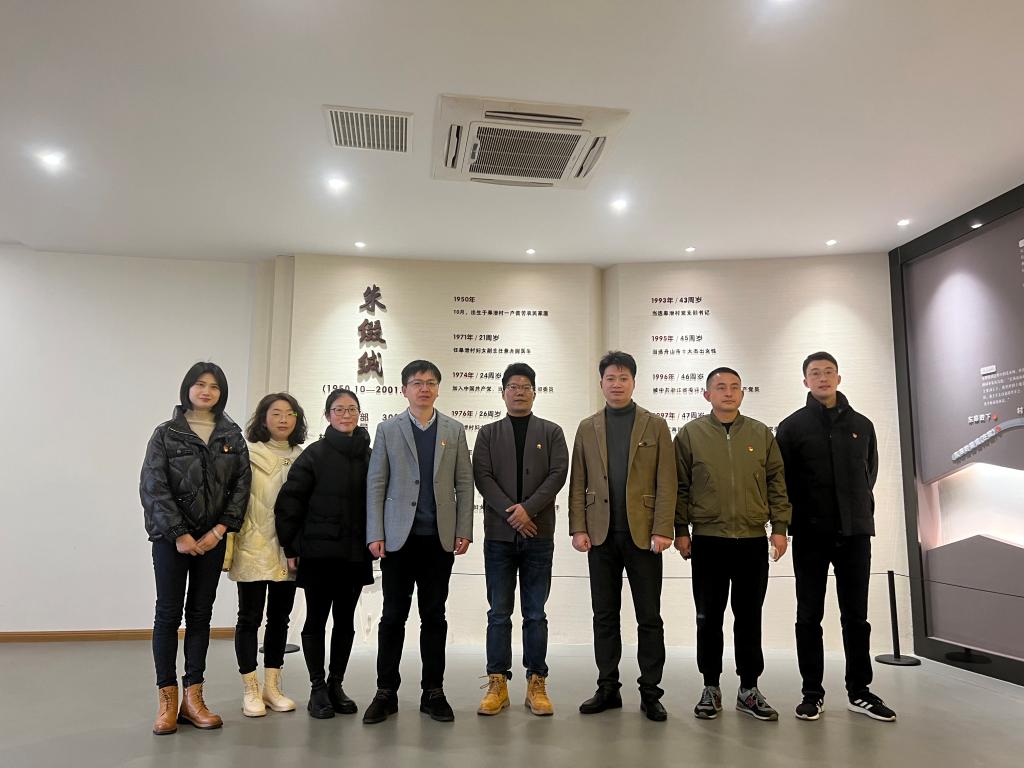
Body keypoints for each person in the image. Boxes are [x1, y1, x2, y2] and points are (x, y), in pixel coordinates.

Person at [776, 352, 896, 722]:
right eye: (815, 373)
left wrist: (855, 510)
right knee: (808, 616)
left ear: (839, 378)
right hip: (810, 534)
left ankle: (860, 691)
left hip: (855, 532)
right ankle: (812, 692)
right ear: (805, 381)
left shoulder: (862, 424)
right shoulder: (791, 427)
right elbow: (783, 482)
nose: (823, 378)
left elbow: (869, 473)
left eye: (829, 372)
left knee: (856, 617)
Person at [674, 366, 791, 722]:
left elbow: (776, 482)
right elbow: (679, 486)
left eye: (734, 387)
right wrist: (680, 529)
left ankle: (749, 689)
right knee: (708, 618)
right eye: (720, 387)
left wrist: (780, 527)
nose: (728, 392)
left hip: (752, 540)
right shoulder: (691, 434)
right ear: (707, 394)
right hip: (708, 540)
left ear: (742, 393)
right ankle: (710, 686)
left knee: (749, 617)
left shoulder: (760, 433)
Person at [140, 361, 251, 735]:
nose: (206, 391)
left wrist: (219, 530)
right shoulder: (166, 433)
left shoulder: (232, 435)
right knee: (168, 615)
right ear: (187, 388)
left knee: (200, 615)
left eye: (214, 386)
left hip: (212, 539)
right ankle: (167, 701)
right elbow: (153, 487)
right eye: (200, 384)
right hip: (171, 541)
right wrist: (178, 533)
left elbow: (241, 487)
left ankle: (194, 698)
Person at [363, 360, 474, 724]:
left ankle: (433, 691)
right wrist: (375, 533)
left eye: (430, 382)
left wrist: (464, 528)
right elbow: (376, 483)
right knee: (392, 617)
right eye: (416, 382)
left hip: (439, 540)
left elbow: (464, 483)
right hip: (398, 539)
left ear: (438, 388)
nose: (424, 388)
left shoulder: (454, 430)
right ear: (404, 390)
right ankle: (386, 691)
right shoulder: (387, 429)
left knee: (434, 616)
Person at [568, 351, 676, 722]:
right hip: (600, 535)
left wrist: (663, 528)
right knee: (604, 615)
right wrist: (578, 527)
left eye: (623, 378)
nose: (617, 384)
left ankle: (651, 691)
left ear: (633, 382)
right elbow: (578, 480)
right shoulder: (587, 427)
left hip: (644, 535)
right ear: (601, 383)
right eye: (610, 378)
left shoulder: (654, 425)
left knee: (649, 616)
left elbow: (667, 481)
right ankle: (607, 687)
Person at [473, 363, 569, 716]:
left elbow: (558, 473)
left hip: (538, 534)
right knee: (499, 613)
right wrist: (513, 514)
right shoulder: (488, 433)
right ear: (503, 392)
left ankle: (536, 683)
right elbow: (482, 476)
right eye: (513, 386)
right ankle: (497, 683)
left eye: (525, 386)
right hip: (499, 537)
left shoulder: (552, 431)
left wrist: (528, 510)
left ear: (534, 392)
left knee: (535, 613)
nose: (519, 391)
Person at [274, 388, 374, 719]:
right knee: (316, 620)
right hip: (318, 554)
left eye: (352, 409)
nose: (346, 415)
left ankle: (336, 684)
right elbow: (289, 502)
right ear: (328, 415)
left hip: (354, 553)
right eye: (338, 409)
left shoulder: (369, 455)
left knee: (345, 622)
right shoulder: (314, 455)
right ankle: (317, 687)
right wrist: (291, 546)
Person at [225, 393, 307, 717]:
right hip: (253, 546)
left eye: (290, 414)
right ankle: (251, 688)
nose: (284, 419)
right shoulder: (247, 454)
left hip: (289, 551)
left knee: (280, 619)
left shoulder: (303, 456)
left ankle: (272, 687)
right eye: (276, 413)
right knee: (249, 618)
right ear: (263, 418)